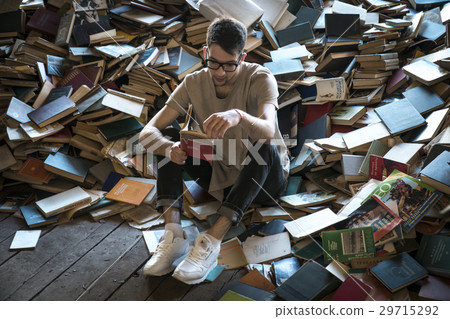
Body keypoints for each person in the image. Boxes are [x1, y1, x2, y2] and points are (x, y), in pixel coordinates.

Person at [139, 17, 290, 285]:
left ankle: (211, 242)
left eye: (230, 65)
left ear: (242, 57)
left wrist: (239, 116)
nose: (220, 72)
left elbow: (268, 129)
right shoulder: (193, 82)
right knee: (172, 138)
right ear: (205, 52)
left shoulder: (260, 78)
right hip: (221, 175)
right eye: (214, 63)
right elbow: (147, 132)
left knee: (261, 146)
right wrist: (168, 148)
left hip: (265, 180)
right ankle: (173, 235)